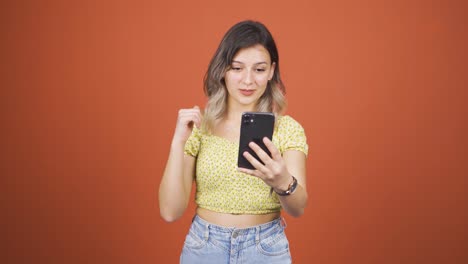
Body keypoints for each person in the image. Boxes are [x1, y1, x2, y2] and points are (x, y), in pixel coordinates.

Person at [159, 20, 308, 263]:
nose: (248, 81)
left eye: (259, 70)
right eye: (237, 68)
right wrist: (178, 142)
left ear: (271, 71)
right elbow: (170, 211)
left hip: (265, 249)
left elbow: (298, 208)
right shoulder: (199, 128)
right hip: (204, 247)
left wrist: (282, 181)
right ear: (223, 70)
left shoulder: (287, 129)